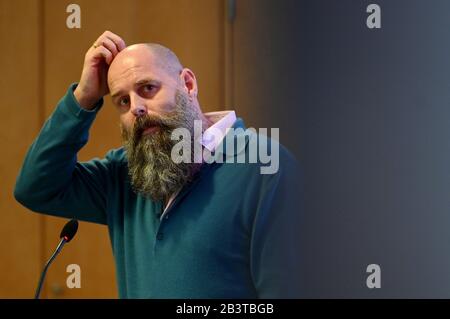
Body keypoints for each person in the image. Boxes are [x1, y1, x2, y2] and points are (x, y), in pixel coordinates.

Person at [14, 31, 303, 298]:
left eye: (148, 88)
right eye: (123, 101)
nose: (136, 107)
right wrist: (84, 98)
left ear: (188, 84)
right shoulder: (125, 174)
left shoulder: (265, 167)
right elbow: (36, 189)